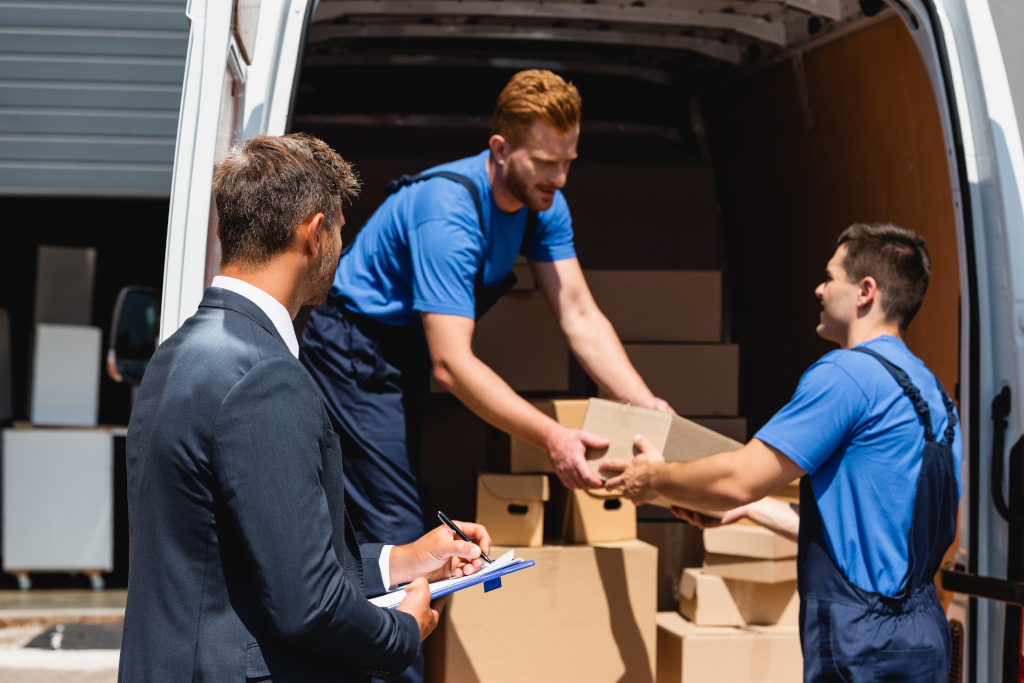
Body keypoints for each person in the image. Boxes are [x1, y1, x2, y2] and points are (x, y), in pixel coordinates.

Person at [119, 133, 492, 683]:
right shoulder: (265, 375)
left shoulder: (176, 354)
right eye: (340, 229)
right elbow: (309, 604)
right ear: (316, 234)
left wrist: (404, 560)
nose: (342, 245)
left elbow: (251, 559)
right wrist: (402, 632)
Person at [299, 69, 673, 549]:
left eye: (568, 161)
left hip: (406, 354)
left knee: (385, 504)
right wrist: (554, 438)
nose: (559, 179)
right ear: (500, 149)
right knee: (396, 524)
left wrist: (645, 404)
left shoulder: (543, 204)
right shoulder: (448, 214)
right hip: (352, 355)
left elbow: (580, 315)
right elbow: (452, 365)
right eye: (546, 162)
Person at [601, 223, 961, 682]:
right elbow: (872, 535)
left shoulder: (847, 375)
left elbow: (737, 480)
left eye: (830, 277)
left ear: (865, 291)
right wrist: (753, 510)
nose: (819, 289)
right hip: (923, 639)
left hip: (862, 647)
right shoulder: (936, 396)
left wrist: (652, 478)